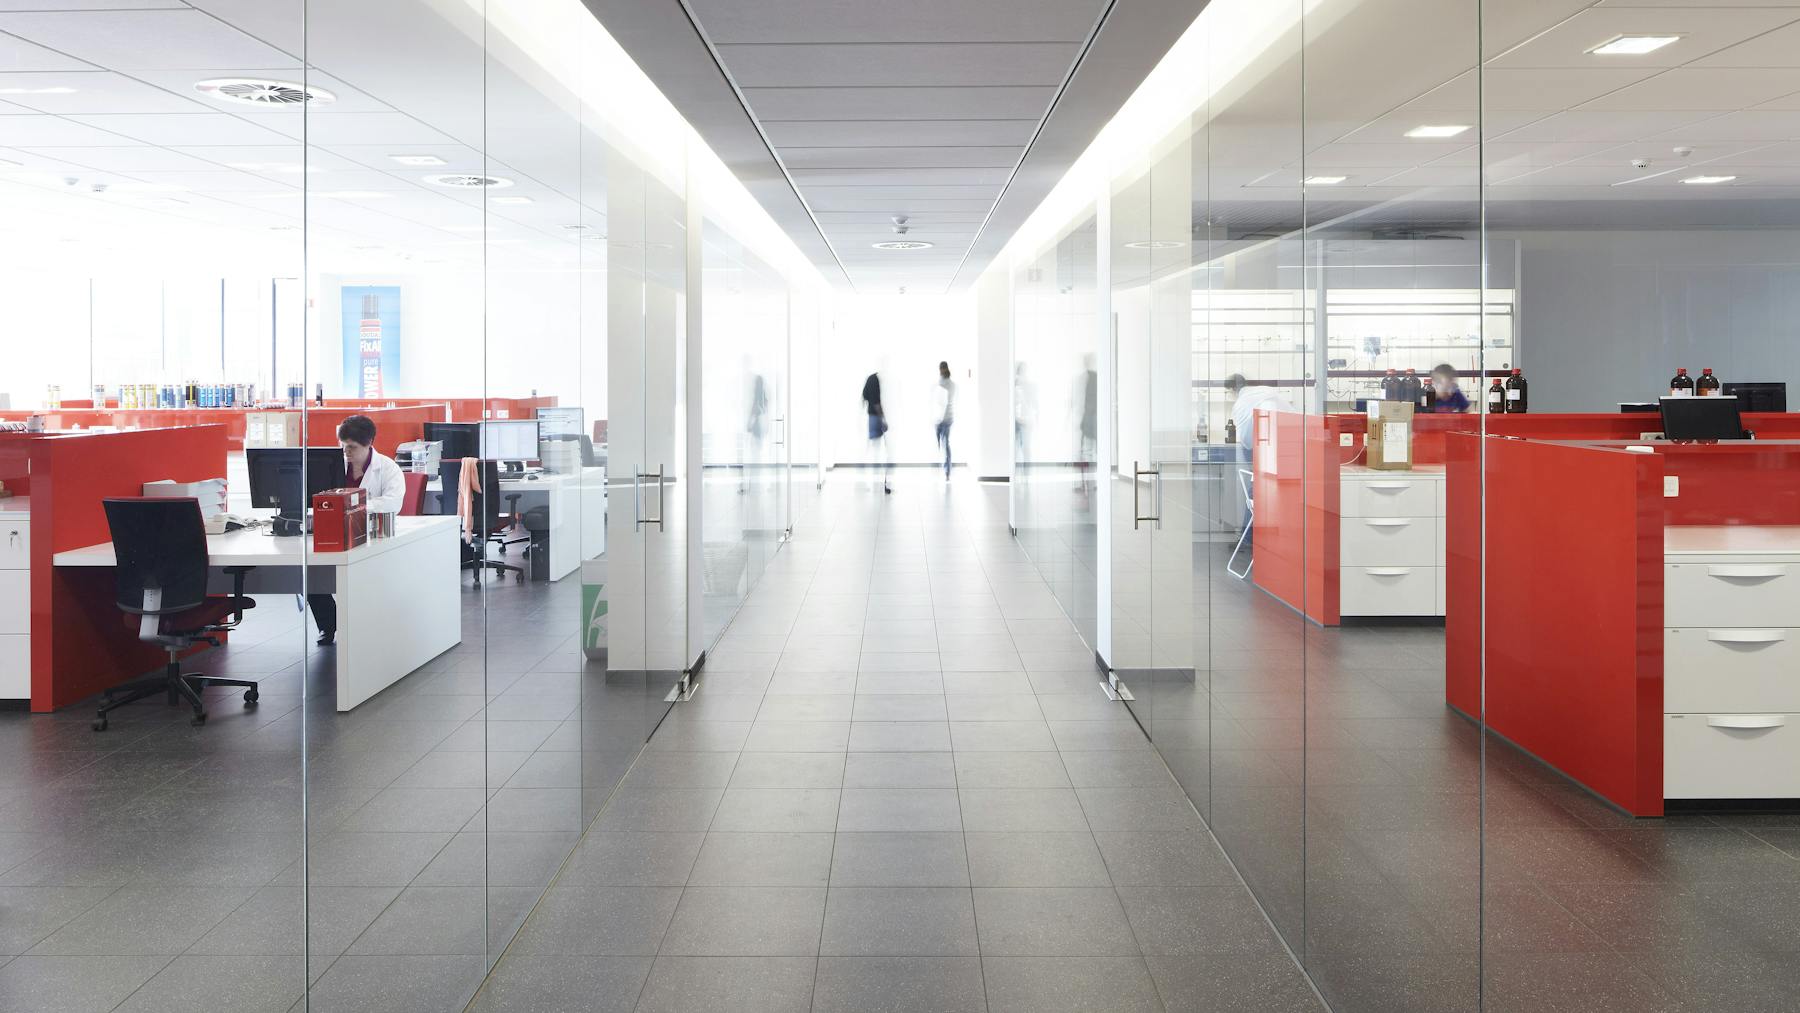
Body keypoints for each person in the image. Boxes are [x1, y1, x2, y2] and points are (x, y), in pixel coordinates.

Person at [308, 414, 406, 645]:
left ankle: (363, 627)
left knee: (360, 578)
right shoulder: (333, 464)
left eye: (352, 447)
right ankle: (328, 624)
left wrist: (353, 506)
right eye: (343, 446)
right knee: (312, 575)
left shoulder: (388, 468)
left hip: (372, 535)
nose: (346, 452)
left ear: (369, 443)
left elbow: (393, 503)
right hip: (333, 532)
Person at [861, 370, 892, 494]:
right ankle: (879, 483)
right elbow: (876, 402)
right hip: (875, 418)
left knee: (874, 449)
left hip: (871, 417)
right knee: (878, 451)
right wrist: (883, 420)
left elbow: (865, 396)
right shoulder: (875, 380)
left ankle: (876, 482)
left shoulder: (870, 379)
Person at [934, 361, 956, 480]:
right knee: (942, 444)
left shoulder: (946, 384)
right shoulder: (943, 383)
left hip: (946, 419)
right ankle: (944, 469)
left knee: (945, 444)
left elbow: (943, 401)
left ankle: (947, 471)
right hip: (941, 418)